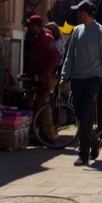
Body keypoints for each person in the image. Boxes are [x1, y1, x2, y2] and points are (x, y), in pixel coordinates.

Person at [60, 0, 102, 166]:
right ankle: (95, 142)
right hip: (77, 79)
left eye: (78, 12)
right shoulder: (77, 31)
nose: (76, 15)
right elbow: (70, 56)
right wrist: (64, 76)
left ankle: (83, 154)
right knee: (80, 117)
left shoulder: (101, 32)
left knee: (86, 116)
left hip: (93, 79)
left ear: (84, 13)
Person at [23, 15, 62, 144]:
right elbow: (35, 59)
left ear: (35, 26)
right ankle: (40, 134)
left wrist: (49, 70)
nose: (29, 29)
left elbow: (56, 55)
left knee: (45, 106)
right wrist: (27, 74)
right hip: (40, 76)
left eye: (30, 27)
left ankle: (49, 136)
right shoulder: (37, 39)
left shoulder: (46, 38)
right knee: (37, 104)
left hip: (48, 77)